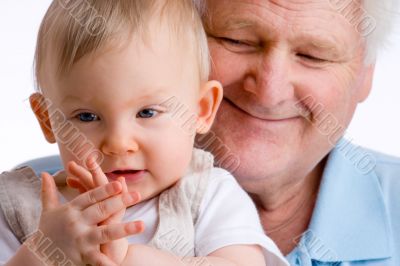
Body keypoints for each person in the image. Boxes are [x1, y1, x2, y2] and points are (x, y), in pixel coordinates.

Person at [0, 0, 289, 265]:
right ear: (48, 120)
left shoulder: (207, 196)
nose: (118, 143)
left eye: (147, 113)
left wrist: (132, 259)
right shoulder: (14, 206)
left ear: (200, 110)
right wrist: (43, 252)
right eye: (87, 116)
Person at [192, 0, 400, 265]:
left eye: (313, 56)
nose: (269, 92)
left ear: (366, 73)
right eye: (237, 40)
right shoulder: (123, 206)